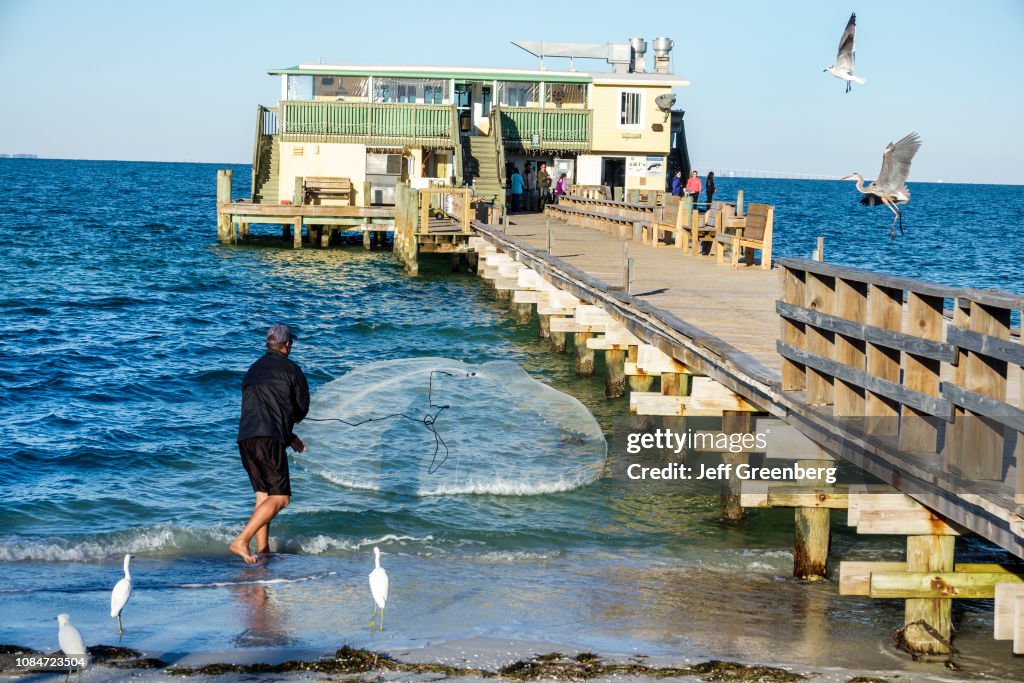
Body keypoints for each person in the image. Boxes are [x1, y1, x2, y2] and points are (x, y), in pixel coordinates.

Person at [230, 324, 309, 565]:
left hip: (246, 438)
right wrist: (289, 428)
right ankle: (241, 540)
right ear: (287, 345)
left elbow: (258, 408)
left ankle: (262, 552)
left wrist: (289, 437)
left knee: (263, 496)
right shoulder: (292, 370)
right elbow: (301, 408)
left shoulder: (253, 370)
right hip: (269, 439)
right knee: (282, 497)